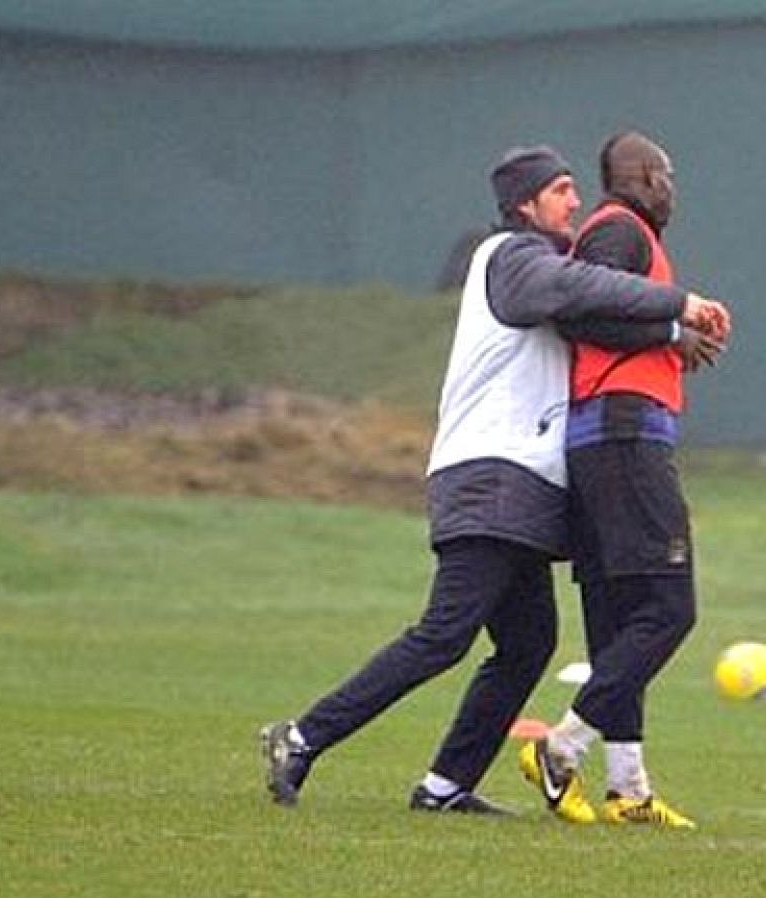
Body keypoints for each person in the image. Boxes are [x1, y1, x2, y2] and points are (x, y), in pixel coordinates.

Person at [259, 145, 730, 814]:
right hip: (490, 475)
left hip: (522, 483)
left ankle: (445, 786)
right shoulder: (511, 257)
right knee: (444, 634)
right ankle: (302, 737)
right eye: (561, 190)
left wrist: (668, 332)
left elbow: (590, 310)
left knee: (528, 643)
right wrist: (680, 303)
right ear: (525, 205)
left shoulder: (541, 267)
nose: (576, 201)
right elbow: (580, 290)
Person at [520, 131, 721, 829]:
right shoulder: (619, 229)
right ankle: (561, 747)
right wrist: (669, 331)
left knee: (618, 620)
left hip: (601, 439)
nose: (672, 188)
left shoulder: (626, 235)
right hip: (624, 433)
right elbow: (582, 312)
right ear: (639, 176)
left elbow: (603, 313)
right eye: (664, 173)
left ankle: (628, 788)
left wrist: (673, 336)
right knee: (670, 609)